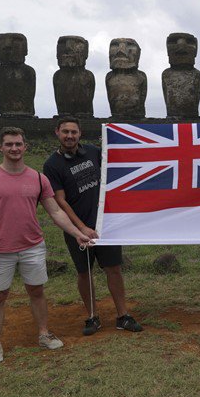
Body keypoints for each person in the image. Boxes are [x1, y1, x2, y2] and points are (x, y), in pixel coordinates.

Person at [0, 127, 91, 365]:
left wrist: (77, 233)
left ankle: (44, 333)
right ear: (0, 147)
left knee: (37, 291)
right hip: (0, 249)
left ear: (25, 147)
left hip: (32, 246)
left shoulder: (38, 178)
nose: (14, 149)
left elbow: (55, 211)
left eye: (18, 144)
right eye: (9, 144)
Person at [43, 117, 143, 335]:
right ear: (57, 133)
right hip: (76, 228)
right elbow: (60, 200)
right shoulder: (52, 165)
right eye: (65, 132)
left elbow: (115, 170)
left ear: (80, 134)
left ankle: (122, 315)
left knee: (114, 269)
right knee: (84, 273)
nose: (70, 136)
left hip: (106, 225)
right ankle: (92, 316)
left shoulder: (94, 152)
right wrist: (81, 228)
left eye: (74, 132)